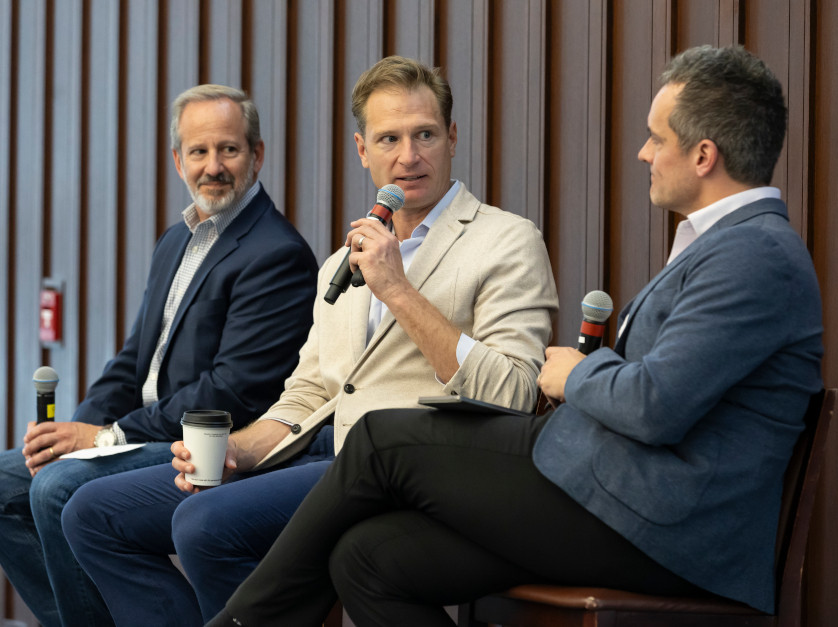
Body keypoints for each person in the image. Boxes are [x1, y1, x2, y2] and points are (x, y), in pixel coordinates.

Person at [201, 45, 824, 627]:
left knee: (382, 440)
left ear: (703, 155)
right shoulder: (724, 247)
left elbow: (655, 406)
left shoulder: (754, 255)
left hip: (663, 526)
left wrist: (578, 375)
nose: (643, 153)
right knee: (369, 557)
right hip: (615, 495)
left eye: (657, 138)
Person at [61, 55, 559, 626]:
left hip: (419, 471)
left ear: (451, 137)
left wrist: (398, 290)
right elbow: (306, 394)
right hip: (320, 453)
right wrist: (240, 452)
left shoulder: (506, 241)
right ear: (361, 150)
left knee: (204, 524)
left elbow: (516, 392)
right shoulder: (341, 265)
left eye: (424, 134)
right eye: (388, 138)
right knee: (92, 512)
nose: (408, 156)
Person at [0, 84, 318, 627]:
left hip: (214, 448)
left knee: (56, 489)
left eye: (229, 149)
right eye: (198, 151)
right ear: (178, 160)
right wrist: (78, 429)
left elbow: (229, 391)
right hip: (144, 434)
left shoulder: (277, 254)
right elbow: (133, 362)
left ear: (257, 155)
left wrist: (104, 440)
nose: (212, 166)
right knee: (8, 481)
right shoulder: (179, 239)